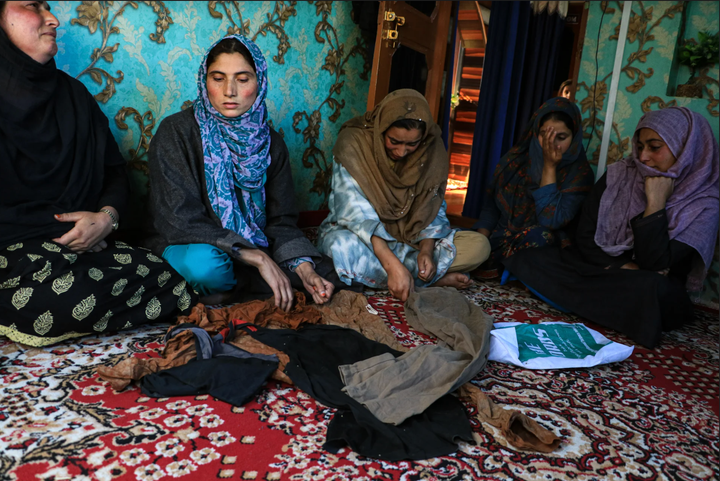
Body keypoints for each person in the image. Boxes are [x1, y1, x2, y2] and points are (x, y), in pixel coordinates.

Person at [0, 1, 196, 347]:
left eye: (49, 7)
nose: (53, 19)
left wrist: (106, 218)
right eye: (33, 6)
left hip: (84, 245)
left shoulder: (73, 96)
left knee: (168, 277)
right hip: (11, 253)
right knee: (68, 298)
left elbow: (114, 174)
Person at [146, 35, 341, 311]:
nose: (229, 91)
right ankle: (243, 280)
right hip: (188, 243)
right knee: (207, 268)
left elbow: (281, 221)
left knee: (326, 273)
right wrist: (257, 257)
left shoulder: (270, 142)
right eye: (218, 78)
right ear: (204, 81)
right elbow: (179, 219)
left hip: (251, 247)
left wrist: (304, 269)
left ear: (259, 82)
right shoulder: (175, 132)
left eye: (242, 79)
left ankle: (227, 292)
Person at [503, 107, 719, 348]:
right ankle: (612, 310)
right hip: (607, 269)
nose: (644, 157)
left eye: (654, 146)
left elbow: (655, 264)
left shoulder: (704, 203)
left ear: (686, 147)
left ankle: (578, 300)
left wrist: (655, 204)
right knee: (535, 258)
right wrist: (620, 265)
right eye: (639, 146)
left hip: (648, 284)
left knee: (652, 288)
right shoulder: (620, 175)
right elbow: (585, 236)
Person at [317, 89, 490, 302]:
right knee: (338, 248)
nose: (401, 152)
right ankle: (425, 281)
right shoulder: (354, 143)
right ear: (381, 129)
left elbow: (431, 207)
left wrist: (426, 251)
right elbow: (354, 213)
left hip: (410, 240)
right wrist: (391, 265)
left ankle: (407, 275)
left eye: (411, 144)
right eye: (394, 141)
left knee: (479, 246)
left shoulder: (430, 149)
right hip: (362, 237)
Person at [474, 98, 594, 264]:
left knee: (541, 239)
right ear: (535, 132)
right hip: (502, 239)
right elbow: (491, 208)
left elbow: (550, 220)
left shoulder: (579, 173)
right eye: (544, 135)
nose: (551, 144)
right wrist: (479, 244)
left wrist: (549, 167)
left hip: (543, 246)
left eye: (561, 137)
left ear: (574, 138)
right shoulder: (515, 161)